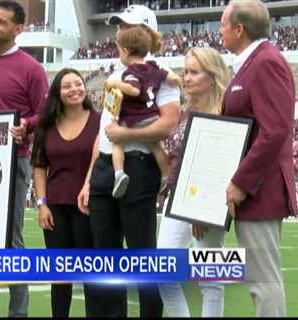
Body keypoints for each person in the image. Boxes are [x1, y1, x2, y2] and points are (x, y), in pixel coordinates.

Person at [77, 5, 180, 317]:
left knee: (141, 255)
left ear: (145, 31)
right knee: (104, 255)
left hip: (137, 165)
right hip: (108, 167)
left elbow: (168, 124)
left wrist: (124, 135)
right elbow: (104, 128)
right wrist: (90, 177)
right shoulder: (117, 75)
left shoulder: (159, 74)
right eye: (118, 26)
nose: (118, 32)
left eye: (125, 26)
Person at [0, 1, 49, 317]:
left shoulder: (31, 68)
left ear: (18, 29)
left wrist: (26, 126)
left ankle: (18, 313)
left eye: (0, 22)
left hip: (14, 160)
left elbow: (44, 114)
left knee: (11, 239)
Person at [220, 0, 297, 317]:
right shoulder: (252, 63)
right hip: (253, 189)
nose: (220, 31)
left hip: (259, 190)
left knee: (263, 281)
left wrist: (240, 182)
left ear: (240, 29)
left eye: (223, 24)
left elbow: (275, 130)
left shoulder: (266, 62)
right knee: (259, 279)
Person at [157, 47, 230, 317]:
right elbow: (174, 162)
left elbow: (222, 165)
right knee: (164, 271)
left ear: (212, 76)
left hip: (208, 203)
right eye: (186, 71)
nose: (187, 77)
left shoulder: (226, 111)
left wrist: (202, 210)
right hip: (176, 198)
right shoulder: (184, 112)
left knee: (209, 277)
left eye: (194, 72)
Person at [31, 68, 100, 317]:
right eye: (67, 86)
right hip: (56, 208)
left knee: (91, 274)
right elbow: (38, 165)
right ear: (57, 93)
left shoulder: (100, 121)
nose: (74, 89)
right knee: (60, 276)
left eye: (78, 84)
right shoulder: (47, 125)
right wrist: (42, 204)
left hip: (89, 207)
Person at [105, 26, 181, 198]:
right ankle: (165, 175)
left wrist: (117, 84)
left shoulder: (131, 72)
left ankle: (119, 173)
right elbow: (168, 76)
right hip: (152, 115)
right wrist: (176, 79)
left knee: (117, 142)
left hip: (134, 117)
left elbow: (133, 90)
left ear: (125, 50)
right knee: (156, 146)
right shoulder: (153, 67)